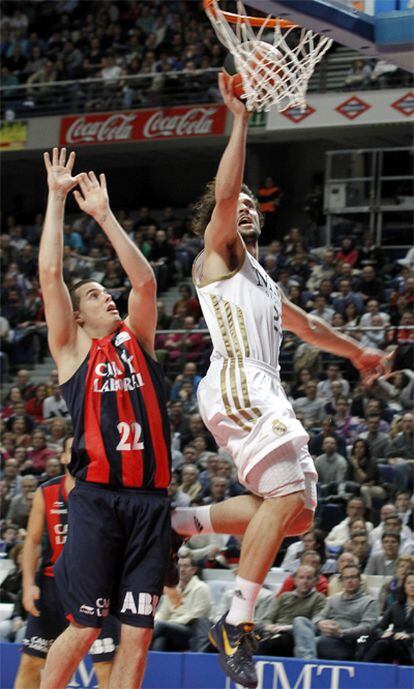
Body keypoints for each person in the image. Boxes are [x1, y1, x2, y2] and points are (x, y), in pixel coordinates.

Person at [171, 74, 388, 689]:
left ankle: (179, 524)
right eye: (232, 203)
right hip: (240, 381)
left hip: (259, 386)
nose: (242, 206)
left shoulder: (263, 279)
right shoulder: (218, 252)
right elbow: (226, 197)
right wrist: (239, 118)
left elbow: (311, 325)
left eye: (247, 205)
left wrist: (360, 354)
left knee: (293, 515)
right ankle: (236, 622)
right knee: (289, 497)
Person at [38, 148, 171, 689]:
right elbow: (50, 273)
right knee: (87, 626)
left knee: (138, 632)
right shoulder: (71, 351)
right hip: (96, 499)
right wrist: (55, 199)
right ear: (78, 315)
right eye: (95, 294)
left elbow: (145, 285)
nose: (107, 296)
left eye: (104, 290)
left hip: (150, 502)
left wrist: (104, 215)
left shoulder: (137, 340)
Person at [14, 436, 119, 689]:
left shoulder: (107, 491)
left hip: (96, 587)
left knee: (106, 668)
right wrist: (28, 585)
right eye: (73, 451)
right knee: (31, 664)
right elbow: (32, 542)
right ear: (62, 456)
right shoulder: (47, 492)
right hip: (51, 587)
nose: (79, 455)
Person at [297, 564, 378, 660]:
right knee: (299, 620)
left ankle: (306, 659)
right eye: (346, 578)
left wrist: (340, 633)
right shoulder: (333, 599)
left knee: (304, 644)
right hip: (326, 634)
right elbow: (318, 617)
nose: (350, 581)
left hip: (347, 641)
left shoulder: (369, 601)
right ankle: (308, 657)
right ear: (342, 581)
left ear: (360, 580)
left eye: (353, 577)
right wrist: (320, 623)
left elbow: (367, 627)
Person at [258, 565, 325, 659]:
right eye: (301, 577)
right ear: (295, 580)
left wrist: (286, 628)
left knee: (275, 642)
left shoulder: (319, 598)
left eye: (309, 578)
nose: (305, 581)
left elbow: (314, 624)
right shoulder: (284, 596)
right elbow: (268, 618)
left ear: (315, 581)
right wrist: (269, 626)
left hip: (294, 634)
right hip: (273, 631)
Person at [151, 554, 211, 651]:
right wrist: (156, 621)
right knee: (160, 640)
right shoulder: (173, 588)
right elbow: (163, 613)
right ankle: (154, 665)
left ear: (194, 570)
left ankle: (135, 646)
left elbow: (196, 616)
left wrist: (168, 623)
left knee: (160, 626)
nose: (182, 569)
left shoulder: (201, 588)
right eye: (179, 566)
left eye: (186, 566)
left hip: (192, 630)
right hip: (171, 629)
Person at [362, 571, 414, 665]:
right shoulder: (396, 606)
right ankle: (364, 667)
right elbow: (378, 628)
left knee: (385, 643)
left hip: (410, 648)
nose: (412, 586)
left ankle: (360, 668)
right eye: (409, 583)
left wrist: (409, 636)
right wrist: (383, 633)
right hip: (393, 643)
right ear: (404, 586)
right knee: (382, 642)